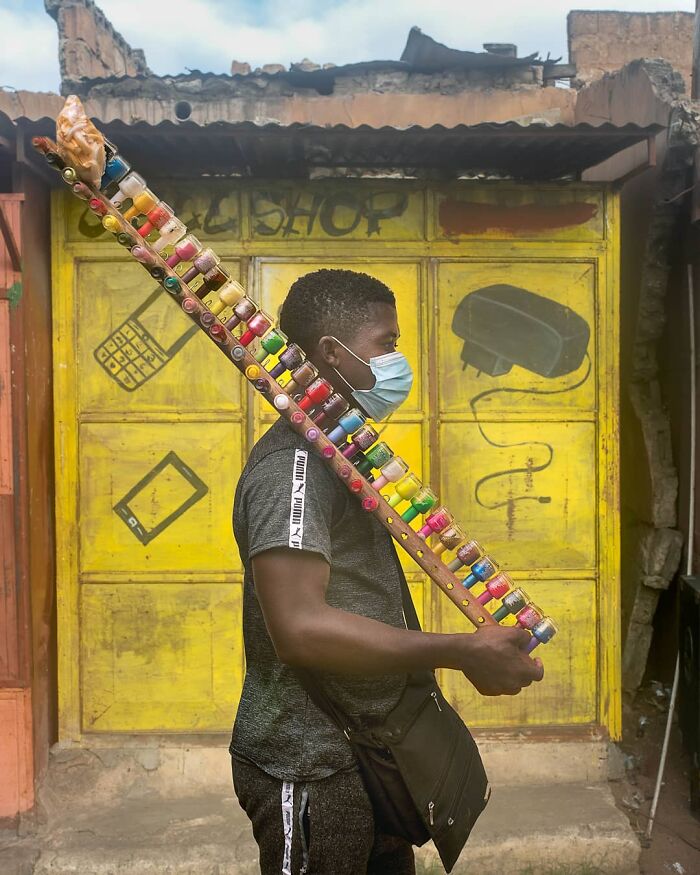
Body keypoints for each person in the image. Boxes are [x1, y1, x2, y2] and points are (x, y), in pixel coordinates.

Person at [230, 269, 544, 875]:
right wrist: (462, 649)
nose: (399, 361)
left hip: (369, 750)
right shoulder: (290, 468)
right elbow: (299, 629)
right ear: (332, 355)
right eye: (387, 344)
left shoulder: (342, 455)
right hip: (310, 762)